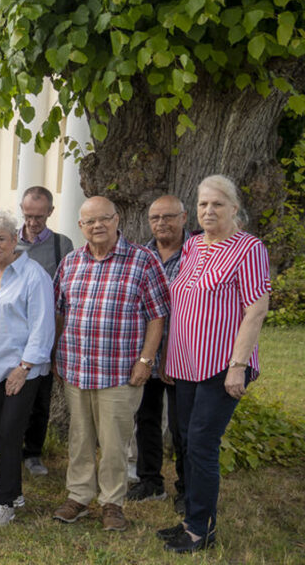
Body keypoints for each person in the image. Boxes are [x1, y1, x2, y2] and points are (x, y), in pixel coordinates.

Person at [156, 175, 270, 553]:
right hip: (185, 364)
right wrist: (170, 358)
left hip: (223, 365)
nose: (208, 210)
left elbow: (256, 310)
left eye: (217, 204)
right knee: (185, 441)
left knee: (202, 444)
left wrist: (238, 365)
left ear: (233, 209)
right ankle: (191, 519)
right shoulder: (190, 246)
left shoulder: (248, 248)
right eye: (203, 204)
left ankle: (201, 531)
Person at [52, 196, 170, 532]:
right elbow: (60, 312)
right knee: (80, 438)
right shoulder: (71, 262)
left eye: (104, 219)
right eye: (89, 221)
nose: (97, 226)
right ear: (80, 227)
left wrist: (146, 360)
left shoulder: (142, 261)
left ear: (117, 220)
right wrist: (56, 354)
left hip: (120, 371)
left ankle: (112, 503)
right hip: (76, 368)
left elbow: (157, 316)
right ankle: (79, 496)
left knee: (116, 442)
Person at [0, 186, 76, 476]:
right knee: (2, 422)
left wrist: (30, 361)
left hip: (35, 346)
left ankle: (29, 460)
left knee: (35, 406)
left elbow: (53, 307)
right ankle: (3, 474)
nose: (33, 221)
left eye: (39, 216)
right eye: (28, 215)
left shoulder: (56, 249)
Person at [0, 211, 54, 526]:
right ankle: (12, 490)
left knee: (9, 433)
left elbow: (43, 328)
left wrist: (24, 367)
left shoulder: (34, 276)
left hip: (22, 370)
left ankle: (6, 503)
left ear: (14, 239)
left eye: (0, 239)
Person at [128, 195, 190, 510]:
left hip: (185, 356)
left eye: (168, 216)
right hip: (146, 354)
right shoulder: (141, 254)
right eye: (155, 218)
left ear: (183, 217)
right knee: (147, 419)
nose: (161, 223)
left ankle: (186, 488)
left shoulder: (198, 252)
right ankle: (150, 481)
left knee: (182, 426)